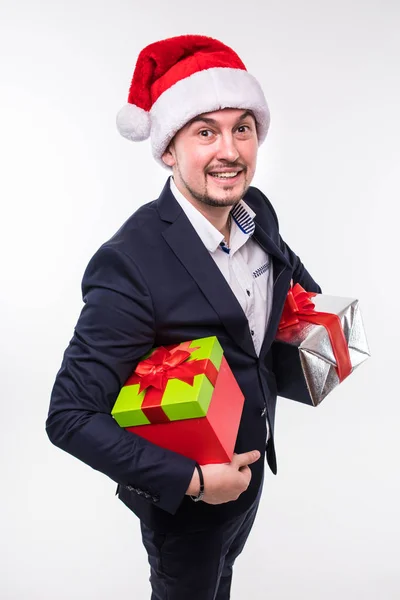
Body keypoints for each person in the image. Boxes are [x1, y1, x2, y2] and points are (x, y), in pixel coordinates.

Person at [46, 34, 321, 600]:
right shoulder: (131, 262)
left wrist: (315, 325)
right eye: (205, 131)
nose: (230, 151)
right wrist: (194, 482)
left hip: (251, 471)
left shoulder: (254, 209)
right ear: (168, 150)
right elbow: (69, 415)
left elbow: (281, 272)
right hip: (188, 502)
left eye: (241, 128)